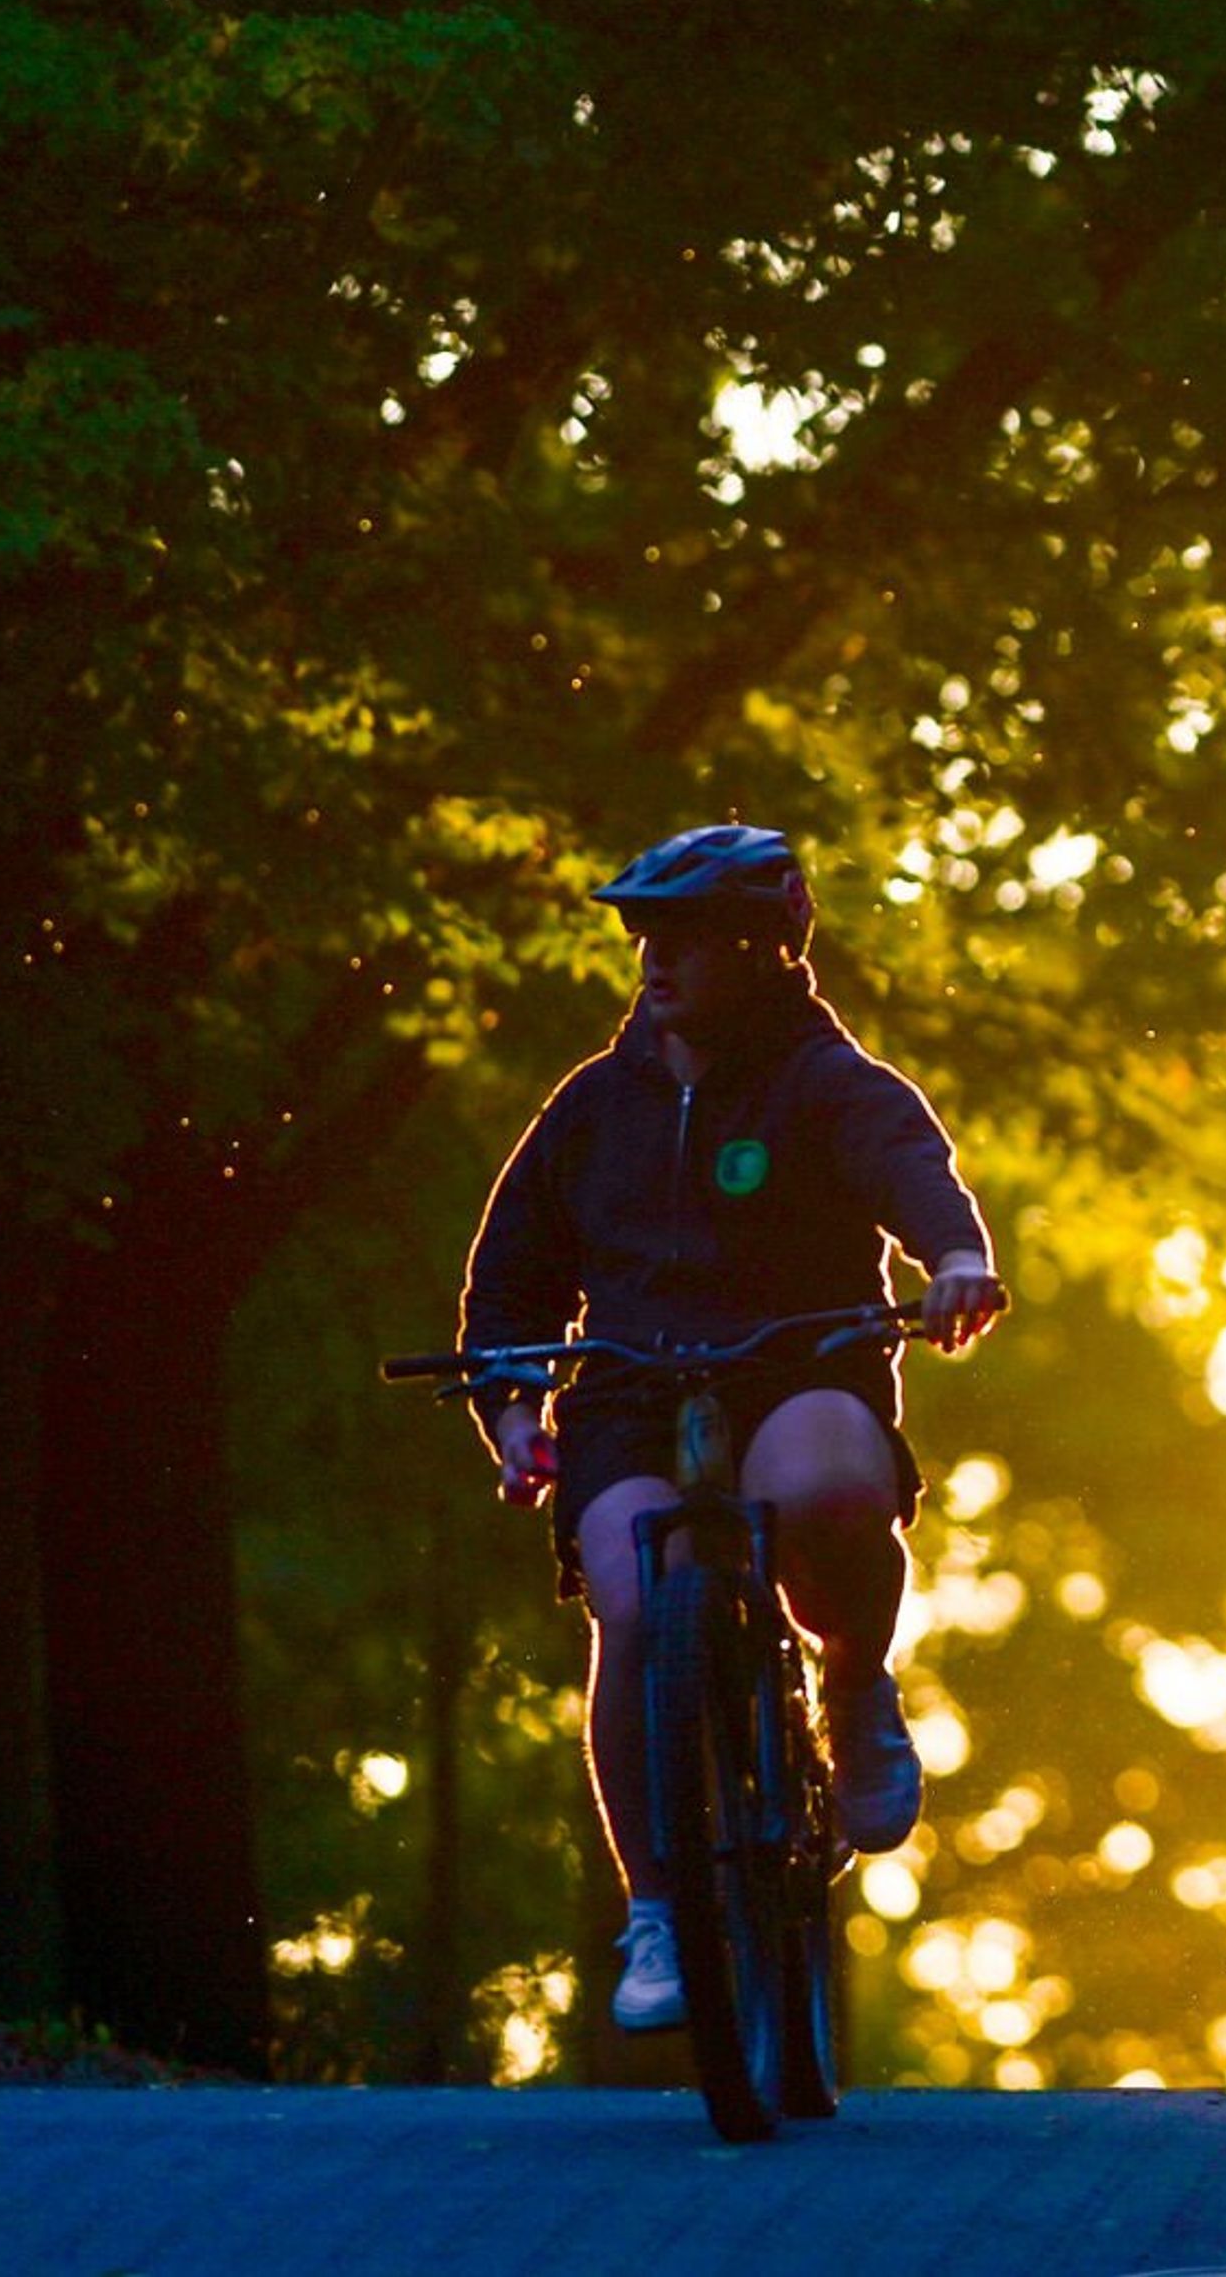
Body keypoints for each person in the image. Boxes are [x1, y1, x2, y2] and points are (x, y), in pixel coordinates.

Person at [453, 822, 1007, 2034]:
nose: (657, 961)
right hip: (632, 1395)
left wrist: (958, 1258)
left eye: (688, 938)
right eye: (648, 937)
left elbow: (914, 1174)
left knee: (823, 1493)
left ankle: (853, 1694)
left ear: (765, 946)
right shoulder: (594, 1108)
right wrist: (511, 1409)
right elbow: (511, 1282)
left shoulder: (831, 1085)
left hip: (797, 1362)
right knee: (642, 1606)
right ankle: (656, 1912)